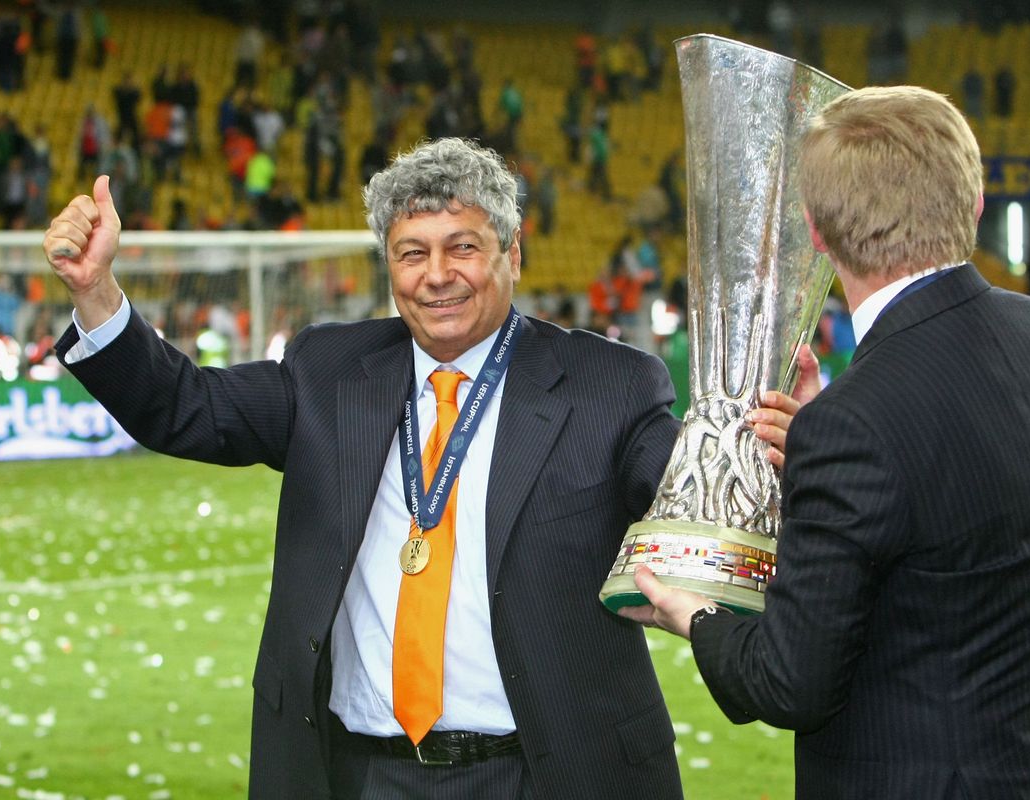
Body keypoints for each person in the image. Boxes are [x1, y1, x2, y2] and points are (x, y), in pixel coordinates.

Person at [43, 138, 800, 799]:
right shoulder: (327, 371)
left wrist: (784, 455)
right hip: (359, 775)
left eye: (462, 247)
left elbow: (697, 494)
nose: (437, 275)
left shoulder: (606, 385)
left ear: (512, 253)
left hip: (541, 775)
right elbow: (187, 406)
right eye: (412, 253)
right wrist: (95, 292)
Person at [624, 86, 1030, 799]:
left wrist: (695, 615)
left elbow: (787, 683)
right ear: (974, 203)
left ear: (817, 233)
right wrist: (828, 448)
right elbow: (960, 503)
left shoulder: (856, 424)